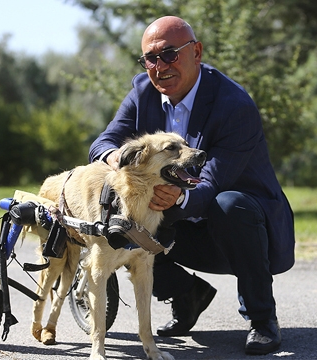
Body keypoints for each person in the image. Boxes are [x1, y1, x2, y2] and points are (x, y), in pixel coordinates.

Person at [89, 16, 295, 355]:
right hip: (179, 220)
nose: (159, 66)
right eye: (150, 58)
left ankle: (261, 318)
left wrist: (173, 199)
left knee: (230, 203)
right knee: (126, 214)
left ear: (196, 51)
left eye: (169, 54)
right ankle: (186, 294)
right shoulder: (142, 91)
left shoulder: (234, 106)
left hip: (241, 228)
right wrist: (116, 158)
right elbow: (105, 141)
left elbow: (212, 181)